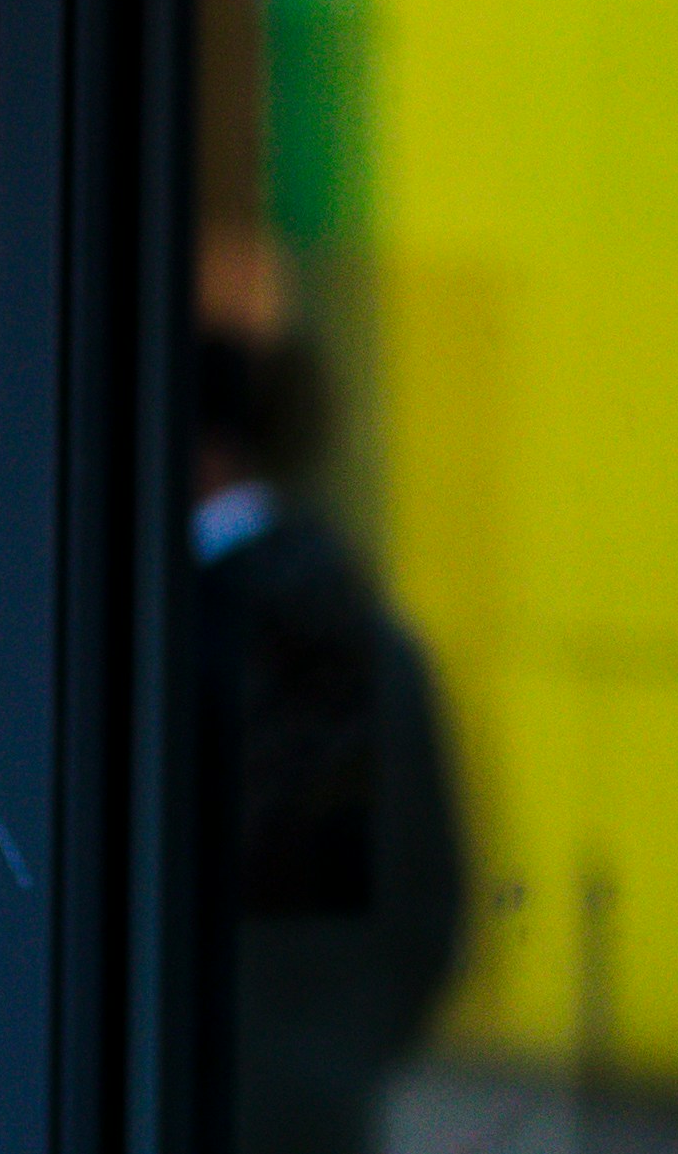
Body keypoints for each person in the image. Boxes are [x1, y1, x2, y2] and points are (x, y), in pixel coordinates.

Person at [189, 324, 467, 1154]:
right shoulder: (368, 632)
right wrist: (343, 1047)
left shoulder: (179, 639)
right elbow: (431, 897)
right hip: (320, 1098)